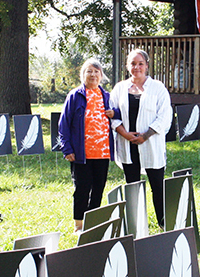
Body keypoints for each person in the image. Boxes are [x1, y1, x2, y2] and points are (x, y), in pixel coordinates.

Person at [108, 49, 173, 228]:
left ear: (147, 65)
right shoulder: (119, 88)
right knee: (133, 185)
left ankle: (163, 223)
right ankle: (137, 225)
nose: (137, 67)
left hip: (151, 143)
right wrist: (125, 134)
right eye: (133, 64)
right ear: (128, 66)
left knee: (157, 186)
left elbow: (165, 116)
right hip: (127, 144)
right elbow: (112, 114)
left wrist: (146, 135)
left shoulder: (158, 88)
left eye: (140, 63)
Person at [58, 59, 114, 232]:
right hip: (81, 153)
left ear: (101, 76)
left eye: (97, 72)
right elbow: (64, 124)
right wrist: (67, 148)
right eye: (89, 71)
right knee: (82, 189)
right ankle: (79, 225)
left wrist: (115, 112)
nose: (93, 75)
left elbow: (118, 115)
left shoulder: (106, 96)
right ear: (83, 75)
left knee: (98, 188)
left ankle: (93, 222)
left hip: (102, 153)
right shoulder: (75, 96)